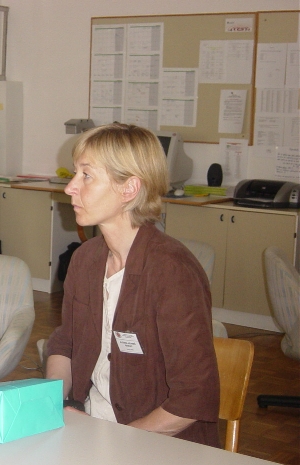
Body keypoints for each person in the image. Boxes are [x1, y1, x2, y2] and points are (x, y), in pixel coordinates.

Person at [45, 123, 220, 447]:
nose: (70, 187)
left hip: (161, 446)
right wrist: (56, 403)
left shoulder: (172, 272)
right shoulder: (85, 259)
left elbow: (194, 397)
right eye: (75, 173)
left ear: (129, 189)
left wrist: (117, 440)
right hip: (91, 429)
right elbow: (64, 344)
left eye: (87, 175)